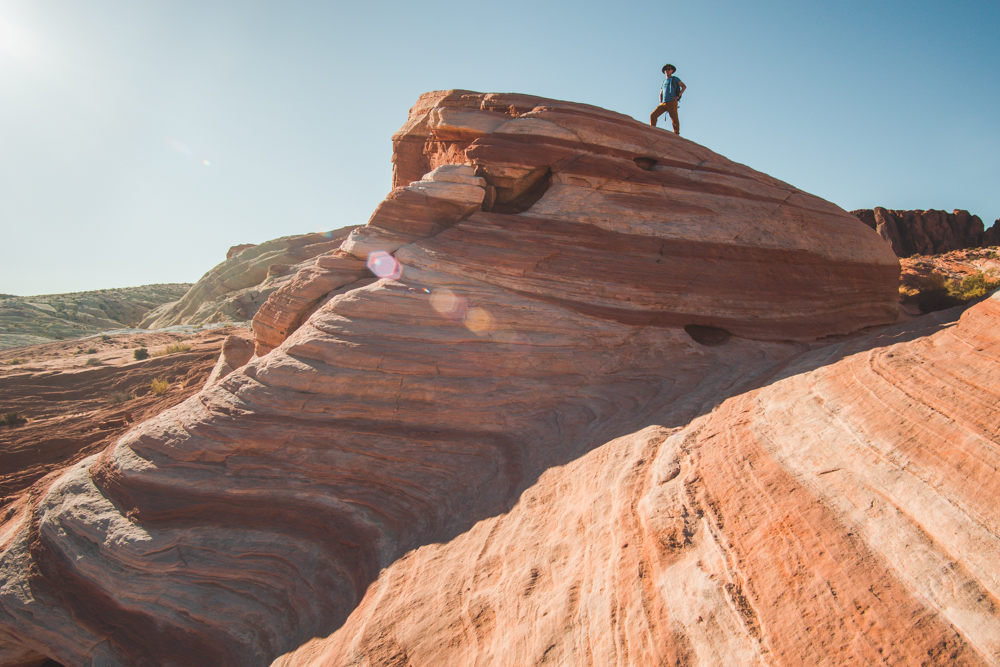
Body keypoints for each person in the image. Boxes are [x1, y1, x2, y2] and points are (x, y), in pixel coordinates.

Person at [650, 64, 686, 134]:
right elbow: (661, 93)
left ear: (672, 71)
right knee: (653, 115)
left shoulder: (675, 79)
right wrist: (660, 102)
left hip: (672, 101)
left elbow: (684, 86)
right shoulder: (663, 82)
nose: (667, 70)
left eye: (669, 69)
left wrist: (678, 96)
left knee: (674, 118)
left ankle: (676, 134)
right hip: (664, 103)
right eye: (666, 69)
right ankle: (652, 130)